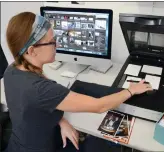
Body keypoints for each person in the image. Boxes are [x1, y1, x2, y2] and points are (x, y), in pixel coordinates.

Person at [3, 12, 153, 152]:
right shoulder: (42, 90)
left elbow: (36, 107)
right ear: (31, 51)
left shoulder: (12, 70)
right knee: (102, 141)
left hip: (18, 144)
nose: (58, 45)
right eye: (51, 42)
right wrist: (130, 90)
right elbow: (99, 106)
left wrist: (61, 120)